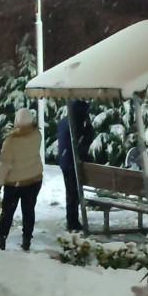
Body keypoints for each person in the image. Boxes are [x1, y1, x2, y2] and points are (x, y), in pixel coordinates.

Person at [0, 108, 44, 251]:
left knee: (7, 212)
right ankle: (26, 241)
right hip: (34, 179)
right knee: (29, 210)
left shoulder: (11, 141)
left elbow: (5, 164)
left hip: (15, 183)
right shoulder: (37, 135)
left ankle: (1, 239)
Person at [57, 99, 94, 232]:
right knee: (74, 193)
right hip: (72, 162)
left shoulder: (64, 121)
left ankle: (71, 219)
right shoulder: (75, 124)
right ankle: (72, 221)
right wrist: (89, 131)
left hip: (64, 160)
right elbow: (80, 145)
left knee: (70, 192)